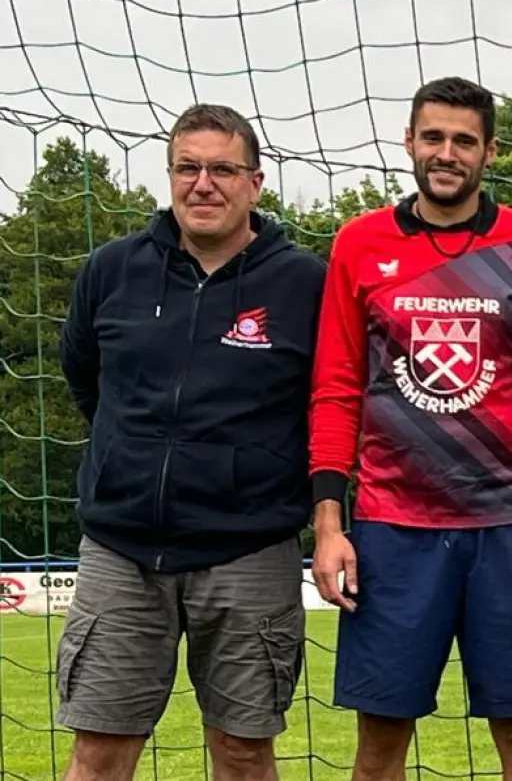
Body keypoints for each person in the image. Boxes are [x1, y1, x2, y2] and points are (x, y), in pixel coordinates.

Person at [306, 76, 512, 781]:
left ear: (489, 150)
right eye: (432, 136)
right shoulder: (359, 243)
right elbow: (335, 391)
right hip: (391, 529)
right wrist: (328, 522)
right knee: (380, 744)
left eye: (463, 140)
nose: (446, 152)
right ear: (408, 141)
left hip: (511, 529)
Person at [53, 103, 326, 781]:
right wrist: (134, 460)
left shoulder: (306, 283)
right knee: (99, 751)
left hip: (249, 548)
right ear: (170, 175)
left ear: (256, 182)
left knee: (242, 752)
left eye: (223, 169)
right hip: (121, 548)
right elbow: (85, 380)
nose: (203, 184)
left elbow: (330, 406)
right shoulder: (112, 270)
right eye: (187, 167)